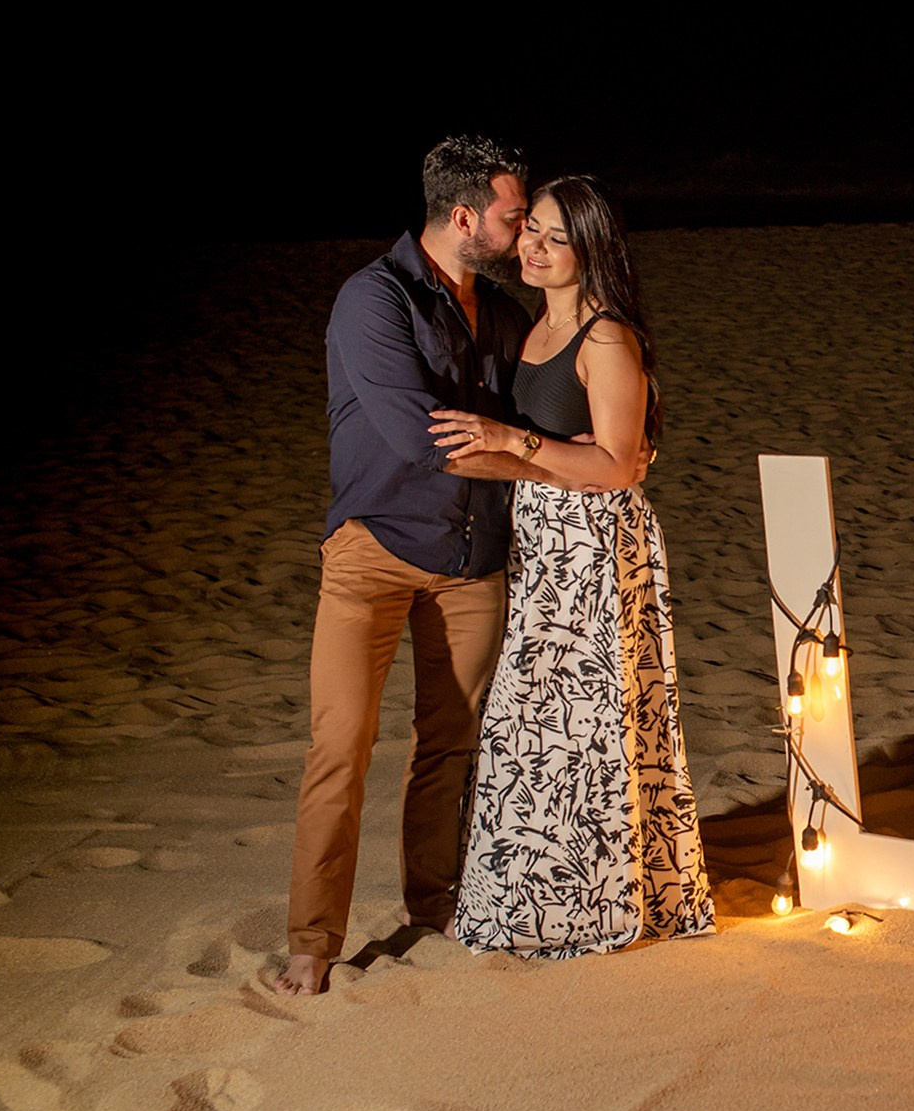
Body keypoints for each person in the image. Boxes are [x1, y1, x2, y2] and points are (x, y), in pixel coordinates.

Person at [276, 135, 579, 997]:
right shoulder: (371, 301)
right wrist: (547, 456)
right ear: (463, 217)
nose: (523, 231)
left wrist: (548, 444)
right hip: (372, 548)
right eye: (514, 215)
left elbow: (539, 411)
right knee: (341, 742)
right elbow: (424, 440)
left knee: (450, 745)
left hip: (472, 555)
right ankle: (312, 937)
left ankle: (434, 903)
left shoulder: (505, 313)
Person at [428, 175, 715, 957]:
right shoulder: (530, 330)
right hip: (542, 541)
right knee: (531, 724)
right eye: (532, 232)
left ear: (592, 251)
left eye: (558, 237)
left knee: (586, 726)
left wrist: (512, 442)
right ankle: (528, 897)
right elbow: (546, 452)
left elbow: (621, 465)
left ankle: (596, 905)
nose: (536, 247)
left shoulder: (607, 338)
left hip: (594, 548)